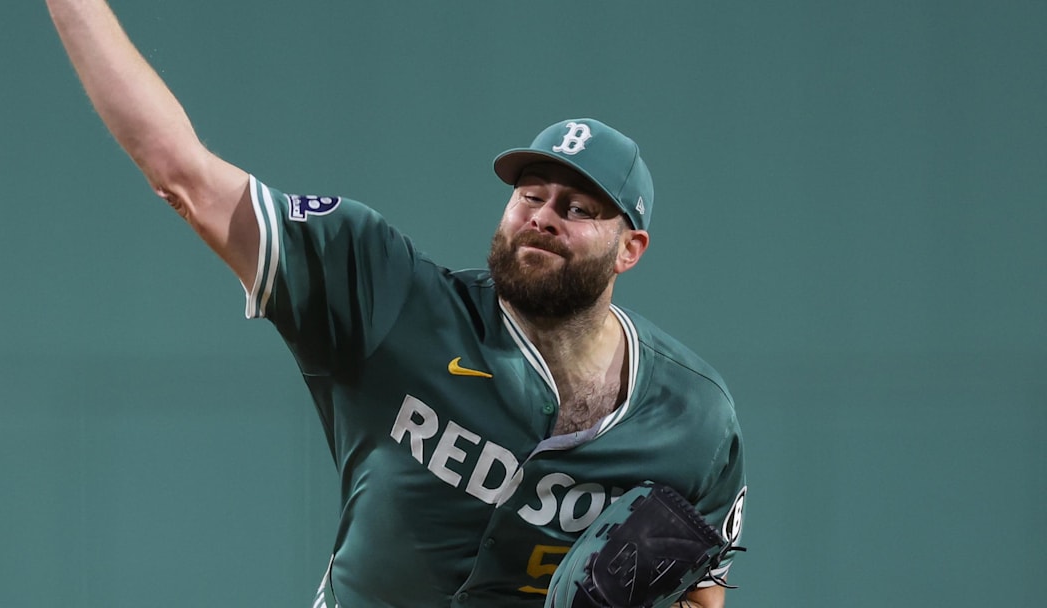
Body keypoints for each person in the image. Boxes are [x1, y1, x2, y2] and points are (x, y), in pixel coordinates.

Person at [46, 2, 747, 607]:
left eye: (578, 207)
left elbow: (703, 589)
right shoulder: (389, 296)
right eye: (529, 195)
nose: (542, 215)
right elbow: (183, 177)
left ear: (631, 249)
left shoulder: (694, 422)